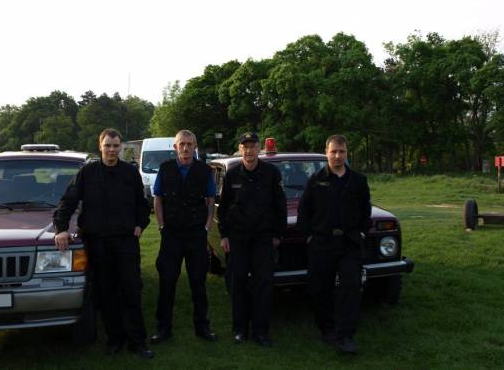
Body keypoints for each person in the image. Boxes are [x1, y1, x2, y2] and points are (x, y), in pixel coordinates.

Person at [53, 128, 153, 359]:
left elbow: (142, 203)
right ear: (100, 146)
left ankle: (137, 341)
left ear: (121, 147)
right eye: (107, 145)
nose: (111, 150)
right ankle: (114, 339)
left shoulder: (130, 172)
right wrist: (61, 229)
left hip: (126, 242)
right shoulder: (87, 172)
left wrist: (140, 224)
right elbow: (68, 201)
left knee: (131, 291)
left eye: (116, 146)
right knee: (106, 293)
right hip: (97, 243)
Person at [297, 134, 371, 355]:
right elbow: (304, 212)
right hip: (322, 243)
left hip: (349, 243)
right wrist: (309, 237)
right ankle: (327, 329)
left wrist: (361, 233)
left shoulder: (358, 180)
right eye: (334, 152)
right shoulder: (316, 180)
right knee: (320, 289)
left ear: (347, 153)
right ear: (326, 153)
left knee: (351, 286)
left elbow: (365, 210)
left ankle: (345, 335)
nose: (338, 156)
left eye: (342, 152)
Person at [218, 132, 287, 347]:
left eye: (252, 146)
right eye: (245, 146)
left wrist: (277, 234)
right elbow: (224, 208)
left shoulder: (271, 173)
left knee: (263, 285)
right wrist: (224, 235)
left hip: (262, 238)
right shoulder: (232, 174)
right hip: (238, 238)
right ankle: (240, 329)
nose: (249, 151)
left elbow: (280, 206)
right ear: (240, 149)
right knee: (237, 283)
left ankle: (261, 331)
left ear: (259, 149)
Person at [151, 130, 218, 343]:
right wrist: (161, 226)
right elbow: (157, 198)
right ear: (175, 147)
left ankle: (202, 327)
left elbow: (210, 200)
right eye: (182, 144)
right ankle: (164, 329)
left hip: (196, 234)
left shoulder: (204, 170)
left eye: (190, 144)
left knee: (198, 282)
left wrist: (207, 227)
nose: (186, 148)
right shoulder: (165, 169)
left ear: (195, 146)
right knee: (167, 282)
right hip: (171, 234)